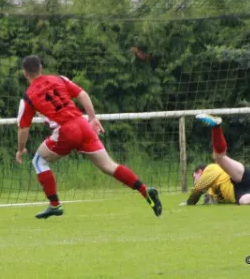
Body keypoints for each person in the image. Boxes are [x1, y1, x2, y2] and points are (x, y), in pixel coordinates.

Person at [15, 55, 162, 219]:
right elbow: (82, 94)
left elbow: (23, 129)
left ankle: (55, 204)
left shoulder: (27, 98)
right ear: (41, 68)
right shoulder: (59, 79)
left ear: (25, 73)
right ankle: (144, 190)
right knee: (109, 166)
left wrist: (21, 149)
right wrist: (92, 118)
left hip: (65, 131)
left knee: (38, 161)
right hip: (83, 124)